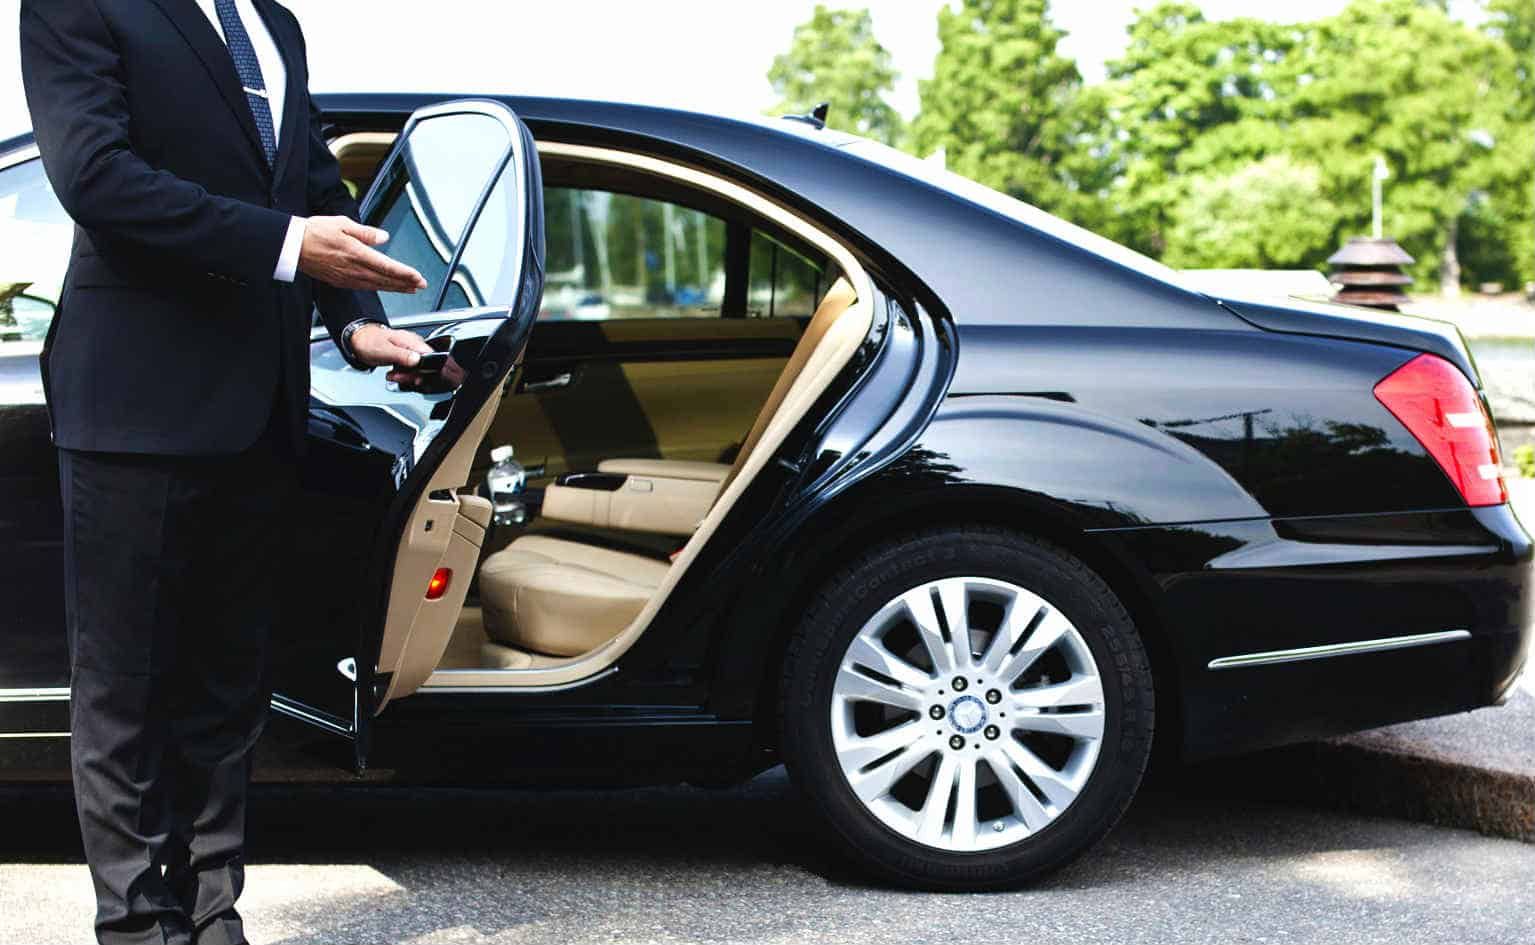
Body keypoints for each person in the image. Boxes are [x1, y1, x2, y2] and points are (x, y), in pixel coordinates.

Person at [20, 2, 432, 942]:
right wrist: (290, 247)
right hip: (135, 400)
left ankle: (212, 913)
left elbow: (310, 181)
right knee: (125, 687)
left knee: (225, 689)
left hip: (261, 400)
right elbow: (98, 178)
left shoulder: (274, 23)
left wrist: (355, 317)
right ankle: (134, 922)